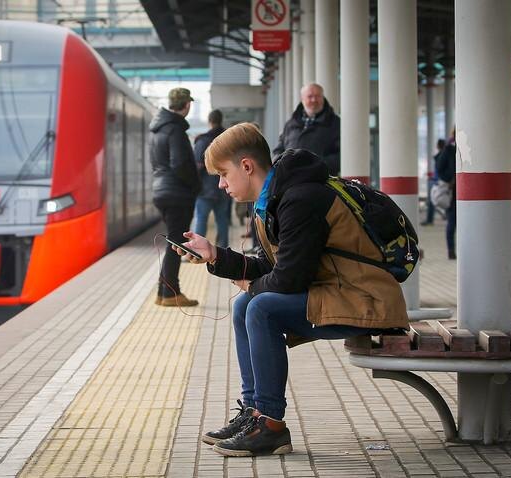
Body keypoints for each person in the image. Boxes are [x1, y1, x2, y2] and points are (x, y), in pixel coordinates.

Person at [171, 123, 409, 457]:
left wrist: (253, 285)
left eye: (223, 174)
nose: (221, 185)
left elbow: (289, 279)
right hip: (339, 291)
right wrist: (215, 256)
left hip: (366, 299)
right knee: (246, 305)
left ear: (247, 166)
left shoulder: (300, 199)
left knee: (260, 307)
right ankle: (255, 413)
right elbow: (275, 268)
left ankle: (270, 425)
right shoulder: (274, 199)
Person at [149, 87, 201, 307]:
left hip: (161, 189)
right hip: (177, 192)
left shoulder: (158, 129)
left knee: (173, 240)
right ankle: (171, 293)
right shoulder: (176, 129)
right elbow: (180, 164)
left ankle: (164, 292)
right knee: (177, 243)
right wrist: (195, 185)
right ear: (187, 105)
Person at [273, 83, 341, 175]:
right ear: (302, 99)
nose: (314, 100)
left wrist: (316, 165)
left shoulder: (335, 123)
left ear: (323, 98)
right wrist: (282, 164)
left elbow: (340, 155)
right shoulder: (290, 124)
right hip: (291, 180)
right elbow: (278, 150)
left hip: (322, 181)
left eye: (317, 96)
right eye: (310, 96)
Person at [193, 109, 232, 248]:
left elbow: (197, 166)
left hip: (204, 189)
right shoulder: (228, 139)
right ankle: (224, 249)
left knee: (201, 219)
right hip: (225, 187)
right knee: (222, 220)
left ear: (210, 122)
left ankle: (197, 250)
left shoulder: (203, 141)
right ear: (221, 121)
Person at [435, 129, 457, 259]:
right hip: (452, 192)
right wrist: (449, 179)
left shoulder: (471, 148)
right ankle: (451, 250)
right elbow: (439, 167)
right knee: (452, 222)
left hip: (466, 191)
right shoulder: (448, 150)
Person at [423, 138, 446, 226]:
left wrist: (433, 178)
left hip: (438, 181)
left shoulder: (440, 156)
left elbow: (439, 170)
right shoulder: (443, 156)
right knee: (437, 201)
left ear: (438, 145)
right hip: (438, 180)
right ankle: (431, 219)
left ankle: (429, 220)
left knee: (432, 201)